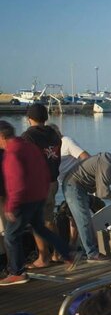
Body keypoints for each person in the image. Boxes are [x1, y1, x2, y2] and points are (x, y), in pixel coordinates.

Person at [0, 121, 73, 286]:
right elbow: (43, 170)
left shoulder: (12, 153)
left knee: (11, 236)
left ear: (2, 137)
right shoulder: (29, 147)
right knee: (40, 228)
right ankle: (67, 253)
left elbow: (15, 182)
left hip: (23, 200)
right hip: (39, 196)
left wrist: (11, 206)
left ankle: (17, 272)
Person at [62, 153, 111, 263]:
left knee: (83, 219)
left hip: (81, 186)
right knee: (84, 220)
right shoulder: (108, 165)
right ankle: (92, 254)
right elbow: (102, 193)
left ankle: (84, 250)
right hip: (73, 186)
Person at [21, 104, 62, 268]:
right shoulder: (54, 133)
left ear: (29, 118)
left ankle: (43, 258)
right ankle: (58, 252)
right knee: (49, 219)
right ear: (46, 117)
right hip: (53, 181)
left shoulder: (28, 136)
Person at [51, 124, 91, 250]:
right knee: (72, 214)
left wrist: (80, 176)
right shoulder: (51, 147)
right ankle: (73, 244)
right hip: (63, 184)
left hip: (75, 183)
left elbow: (85, 157)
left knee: (78, 215)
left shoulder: (66, 141)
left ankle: (87, 249)